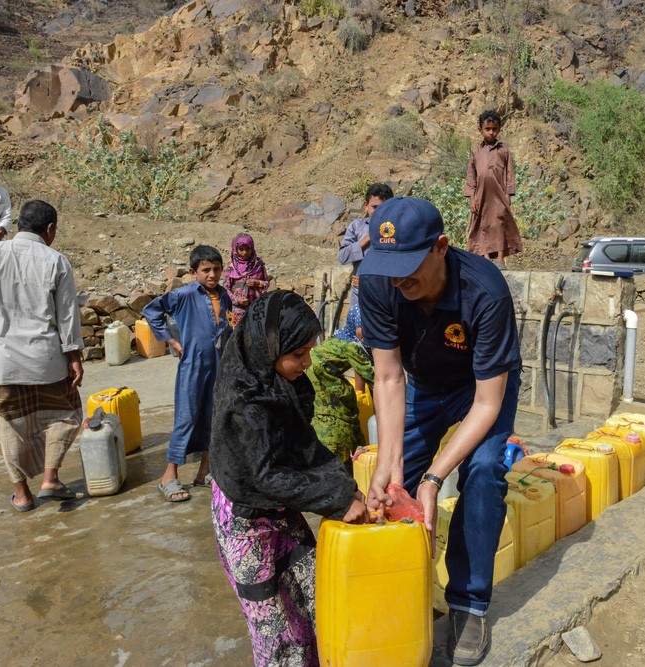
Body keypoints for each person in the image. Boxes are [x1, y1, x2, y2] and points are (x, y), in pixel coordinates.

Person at [358, 196, 521, 666]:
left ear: (441, 247)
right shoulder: (379, 283)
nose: (398, 279)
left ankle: (468, 603)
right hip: (423, 384)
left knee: (485, 470)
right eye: (388, 266)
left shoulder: (484, 290)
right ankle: (401, 587)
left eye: (408, 265)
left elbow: (488, 404)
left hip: (482, 386)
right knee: (390, 482)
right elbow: (388, 378)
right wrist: (391, 463)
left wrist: (433, 478)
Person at [209, 290, 368, 667]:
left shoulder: (280, 383)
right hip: (247, 524)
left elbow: (304, 445)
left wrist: (349, 489)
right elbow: (268, 478)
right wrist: (339, 499)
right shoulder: (245, 403)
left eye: (310, 351)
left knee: (316, 598)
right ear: (270, 347)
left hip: (280, 511)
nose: (308, 363)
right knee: (278, 633)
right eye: (298, 355)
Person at [0, 200, 83, 512]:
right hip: (47, 361)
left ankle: (22, 494)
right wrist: (74, 355)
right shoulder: (57, 261)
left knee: (11, 424)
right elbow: (67, 315)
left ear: (18, 224)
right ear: (50, 229)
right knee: (65, 414)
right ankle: (51, 478)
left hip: (4, 363)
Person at [143, 245, 232, 502]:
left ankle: (205, 471)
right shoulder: (184, 295)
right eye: (206, 270)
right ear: (194, 272)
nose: (212, 274)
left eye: (216, 269)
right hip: (193, 364)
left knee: (214, 416)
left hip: (219, 364)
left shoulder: (224, 296)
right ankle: (169, 476)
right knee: (187, 416)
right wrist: (171, 340)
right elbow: (152, 311)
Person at [307, 303, 374, 464]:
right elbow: (374, 378)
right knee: (339, 417)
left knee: (329, 415)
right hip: (322, 379)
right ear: (354, 322)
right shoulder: (351, 345)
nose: (365, 333)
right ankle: (340, 459)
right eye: (362, 327)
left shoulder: (344, 335)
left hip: (316, 378)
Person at [464, 110, 522, 268]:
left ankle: (500, 258)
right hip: (481, 195)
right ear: (480, 130)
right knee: (483, 224)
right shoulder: (476, 152)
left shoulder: (503, 151)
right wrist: (471, 197)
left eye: (494, 129)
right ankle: (486, 257)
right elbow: (471, 175)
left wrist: (509, 193)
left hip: (498, 194)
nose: (491, 132)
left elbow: (509, 173)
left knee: (498, 223)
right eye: (487, 129)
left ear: (499, 129)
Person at [338, 182, 394, 306]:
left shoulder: (397, 229)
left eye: (384, 208)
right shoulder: (356, 227)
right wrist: (367, 239)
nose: (379, 212)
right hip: (360, 297)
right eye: (375, 207)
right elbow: (342, 256)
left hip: (387, 296)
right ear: (366, 205)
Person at [221, 232, 270, 328]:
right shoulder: (231, 267)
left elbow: (266, 283)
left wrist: (258, 283)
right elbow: (226, 288)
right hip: (236, 309)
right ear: (235, 249)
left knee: (257, 332)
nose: (244, 253)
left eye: (248, 249)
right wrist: (237, 300)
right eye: (241, 249)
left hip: (257, 306)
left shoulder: (258, 264)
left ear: (252, 248)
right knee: (237, 336)